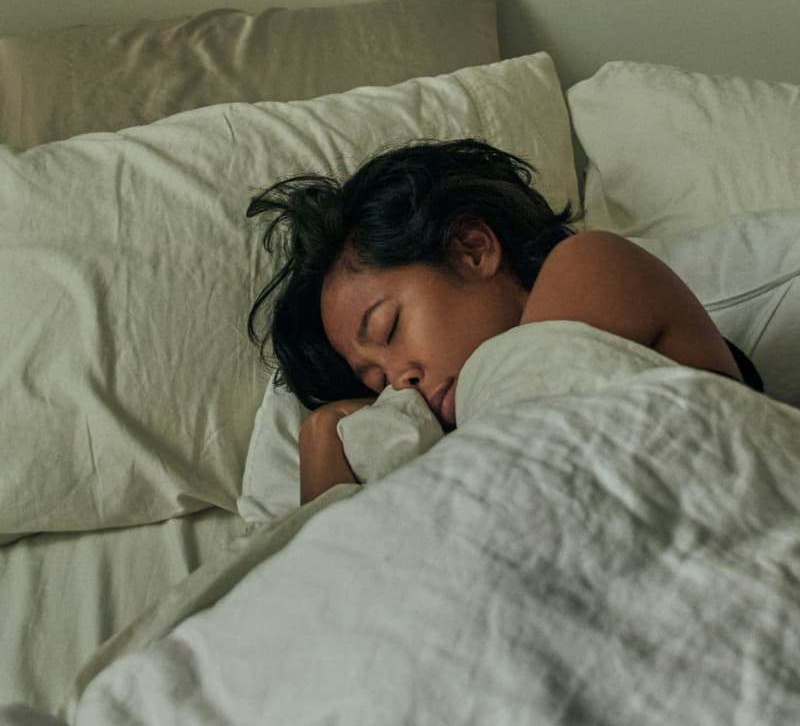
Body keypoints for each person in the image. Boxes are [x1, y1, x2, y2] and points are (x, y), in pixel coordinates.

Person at [247, 139, 761, 503]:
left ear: (473, 250)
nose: (399, 381)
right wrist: (321, 439)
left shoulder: (589, 266)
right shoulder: (458, 435)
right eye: (376, 381)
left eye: (389, 329)